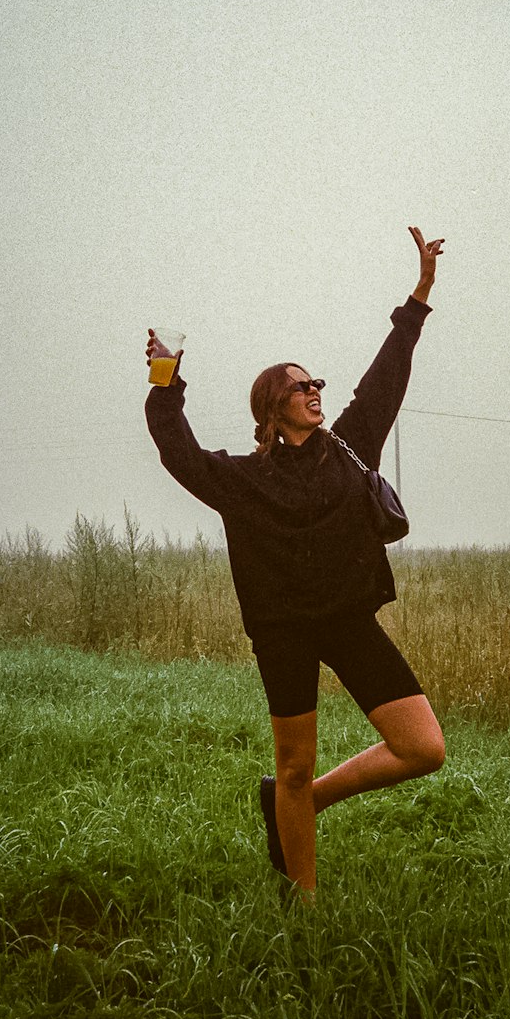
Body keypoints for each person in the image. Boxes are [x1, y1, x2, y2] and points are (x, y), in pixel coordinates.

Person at [145, 226, 446, 900]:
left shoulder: (349, 447)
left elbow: (387, 376)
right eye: (299, 386)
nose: (315, 390)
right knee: (293, 766)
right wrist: (167, 383)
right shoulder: (243, 480)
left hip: (348, 621)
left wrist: (418, 296)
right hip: (283, 631)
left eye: (316, 383)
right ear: (272, 410)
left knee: (423, 748)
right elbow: (180, 455)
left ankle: (302, 806)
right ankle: (304, 905)